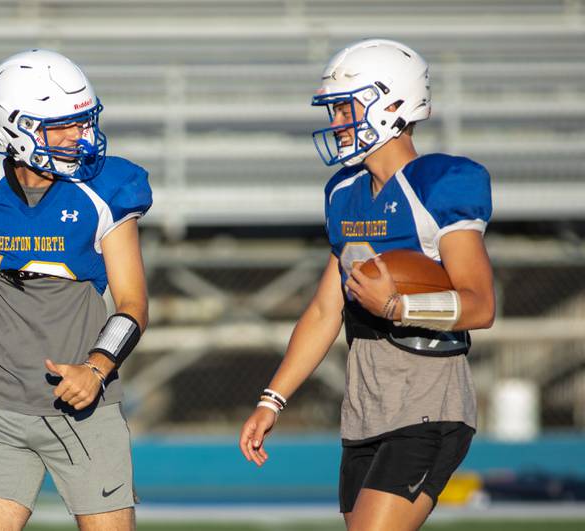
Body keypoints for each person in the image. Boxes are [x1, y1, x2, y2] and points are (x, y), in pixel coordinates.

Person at [239, 39, 495, 531]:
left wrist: (397, 307)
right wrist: (271, 401)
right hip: (364, 403)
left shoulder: (437, 185)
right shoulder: (344, 192)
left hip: (427, 396)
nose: (337, 122)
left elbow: (481, 305)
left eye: (345, 108)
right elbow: (322, 312)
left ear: (393, 105)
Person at [0, 49, 152, 531]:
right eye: (63, 126)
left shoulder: (104, 191)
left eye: (83, 122)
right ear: (16, 128)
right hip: (0, 412)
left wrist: (96, 369)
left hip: (86, 412)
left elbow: (134, 304)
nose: (81, 137)